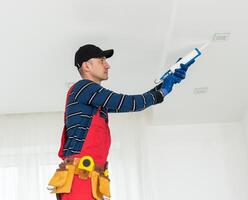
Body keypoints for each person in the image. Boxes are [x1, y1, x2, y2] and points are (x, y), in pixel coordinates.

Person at [48, 44, 195, 200]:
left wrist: (166, 83)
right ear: (86, 66)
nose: (107, 65)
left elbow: (133, 103)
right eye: (101, 60)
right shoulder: (84, 88)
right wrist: (162, 91)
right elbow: (128, 102)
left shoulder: (95, 102)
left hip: (90, 181)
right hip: (80, 180)